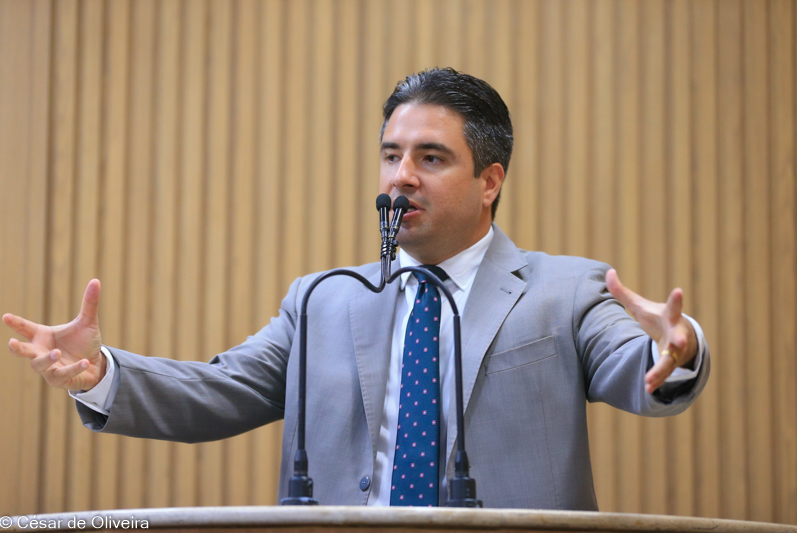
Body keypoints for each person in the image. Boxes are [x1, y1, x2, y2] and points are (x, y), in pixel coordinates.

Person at [4, 68, 708, 509]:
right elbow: (219, 389)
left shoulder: (564, 289)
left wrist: (674, 351)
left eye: (431, 158)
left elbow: (635, 367)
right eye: (391, 155)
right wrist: (100, 374)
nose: (402, 176)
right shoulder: (322, 301)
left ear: (490, 180)